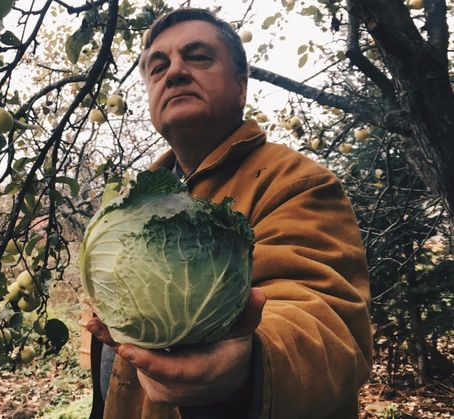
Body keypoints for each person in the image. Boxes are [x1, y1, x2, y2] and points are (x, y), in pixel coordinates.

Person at [86, 8, 373, 419]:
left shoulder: (295, 182)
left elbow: (327, 322)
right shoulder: (129, 204)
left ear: (241, 86)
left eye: (198, 57)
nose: (176, 72)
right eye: (158, 66)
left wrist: (245, 370)